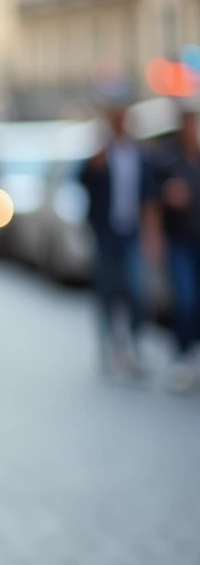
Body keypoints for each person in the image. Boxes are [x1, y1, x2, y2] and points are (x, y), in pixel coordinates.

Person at [80, 105, 156, 377]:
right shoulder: (102, 154)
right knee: (107, 291)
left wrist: (151, 235)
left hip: (131, 233)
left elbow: (148, 197)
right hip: (107, 233)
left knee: (137, 291)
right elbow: (82, 181)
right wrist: (93, 166)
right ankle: (108, 345)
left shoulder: (140, 156)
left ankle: (134, 345)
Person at [152, 109, 200, 390]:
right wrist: (154, 238)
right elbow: (152, 201)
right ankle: (183, 356)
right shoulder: (167, 159)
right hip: (179, 241)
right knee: (185, 300)